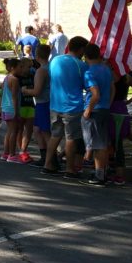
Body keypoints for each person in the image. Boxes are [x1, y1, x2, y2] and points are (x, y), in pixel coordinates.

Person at [41, 36, 88, 178]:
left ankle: (47, 164)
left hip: (55, 104)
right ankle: (69, 168)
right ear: (80, 49)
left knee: (55, 135)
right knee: (71, 138)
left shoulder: (55, 60)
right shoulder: (81, 65)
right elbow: (87, 85)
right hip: (72, 107)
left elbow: (51, 76)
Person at [81, 44, 115, 186]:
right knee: (102, 142)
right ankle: (101, 171)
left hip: (95, 110)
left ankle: (99, 174)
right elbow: (113, 88)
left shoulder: (89, 73)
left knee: (97, 144)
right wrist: (108, 103)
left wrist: (88, 109)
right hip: (105, 108)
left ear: (86, 56)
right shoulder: (106, 69)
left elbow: (95, 94)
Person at [22, 44, 52, 167]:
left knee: (45, 131)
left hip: (43, 103)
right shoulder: (50, 67)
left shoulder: (41, 70)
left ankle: (50, 158)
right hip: (45, 102)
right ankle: (45, 155)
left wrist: (25, 90)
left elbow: (37, 91)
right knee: (37, 129)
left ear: (37, 55)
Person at [0, 58, 21, 162]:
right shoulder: (14, 79)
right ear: (13, 68)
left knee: (9, 131)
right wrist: (16, 111)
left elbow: (1, 89)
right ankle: (12, 154)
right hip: (11, 108)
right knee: (14, 131)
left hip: (5, 107)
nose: (21, 69)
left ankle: (5, 153)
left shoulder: (6, 78)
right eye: (19, 67)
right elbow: (14, 97)